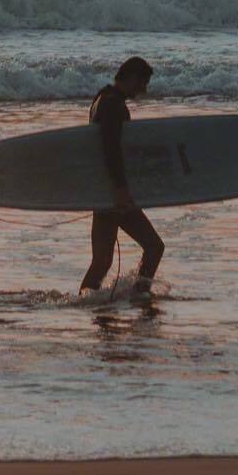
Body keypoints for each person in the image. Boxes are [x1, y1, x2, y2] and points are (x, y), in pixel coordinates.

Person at [80, 56, 164, 297]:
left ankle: (83, 304)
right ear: (132, 77)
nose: (143, 90)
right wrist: (120, 188)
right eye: (143, 83)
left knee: (102, 262)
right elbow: (111, 149)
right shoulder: (113, 106)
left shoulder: (101, 98)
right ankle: (140, 294)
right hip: (112, 193)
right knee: (154, 246)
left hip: (103, 192)